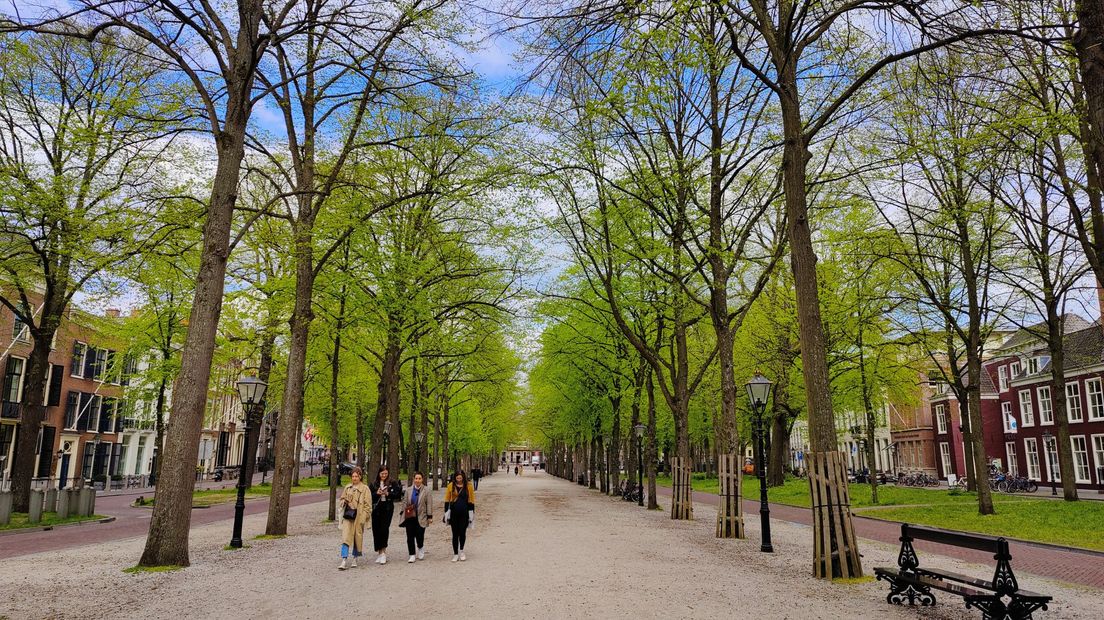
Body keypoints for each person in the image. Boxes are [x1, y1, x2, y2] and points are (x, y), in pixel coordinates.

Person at [337, 467, 370, 570]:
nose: (354, 478)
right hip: (348, 516)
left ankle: (355, 558)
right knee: (345, 538)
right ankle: (344, 560)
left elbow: (368, 505)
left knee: (357, 538)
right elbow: (342, 499)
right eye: (353, 476)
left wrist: (363, 517)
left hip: (358, 517)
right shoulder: (348, 487)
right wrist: (344, 502)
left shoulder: (365, 489)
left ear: (360, 476)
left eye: (356, 476)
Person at [369, 466, 403, 564]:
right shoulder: (373, 484)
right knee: (376, 530)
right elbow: (369, 496)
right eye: (382, 473)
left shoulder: (392, 483)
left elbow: (397, 494)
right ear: (379, 473)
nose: (384, 475)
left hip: (387, 509)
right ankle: (379, 552)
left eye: (385, 473)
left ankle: (383, 552)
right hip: (376, 509)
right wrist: (377, 493)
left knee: (384, 529)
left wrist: (388, 494)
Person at [399, 471, 433, 563]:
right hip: (410, 516)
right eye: (416, 478)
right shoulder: (408, 490)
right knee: (410, 536)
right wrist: (403, 513)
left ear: (422, 479)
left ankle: (420, 547)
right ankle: (412, 554)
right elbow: (405, 502)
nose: (417, 480)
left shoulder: (427, 490)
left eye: (419, 478)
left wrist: (430, 516)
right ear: (413, 479)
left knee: (419, 535)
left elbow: (429, 504)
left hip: (421, 516)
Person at [443, 470, 476, 562]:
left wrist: (472, 513)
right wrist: (446, 513)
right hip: (454, 513)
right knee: (455, 533)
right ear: (455, 478)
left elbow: (471, 500)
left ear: (463, 477)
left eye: (460, 478)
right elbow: (447, 500)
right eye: (457, 478)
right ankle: (455, 554)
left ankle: (461, 550)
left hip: (464, 513)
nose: (459, 479)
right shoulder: (450, 486)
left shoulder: (468, 486)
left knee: (462, 532)